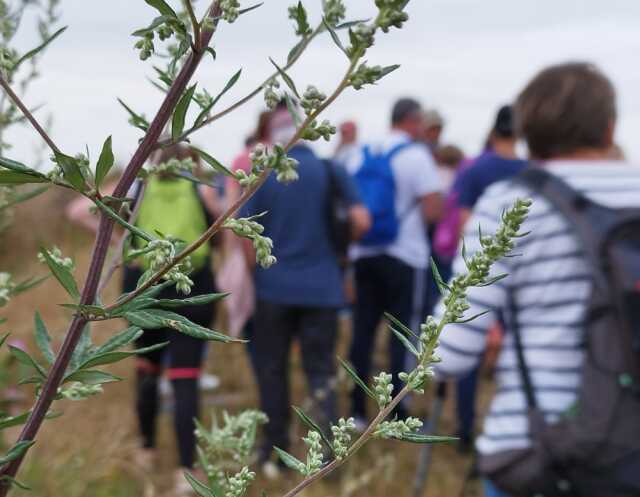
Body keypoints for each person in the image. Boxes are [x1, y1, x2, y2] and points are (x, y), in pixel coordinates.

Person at [433, 62, 640, 497]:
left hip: (538, 454)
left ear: (528, 133)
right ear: (609, 128)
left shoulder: (511, 203)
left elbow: (447, 354)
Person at [66, 144, 222, 495]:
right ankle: (187, 471)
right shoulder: (201, 190)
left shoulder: (138, 187)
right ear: (190, 164)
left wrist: (123, 242)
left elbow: (77, 210)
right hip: (193, 291)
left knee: (147, 370)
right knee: (186, 379)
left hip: (144, 290)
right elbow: (223, 225)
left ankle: (146, 452)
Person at [240, 107, 370, 476]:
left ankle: (273, 453)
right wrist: (339, 255)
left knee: (272, 370)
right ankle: (328, 458)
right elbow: (361, 220)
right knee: (321, 372)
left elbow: (244, 234)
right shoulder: (331, 170)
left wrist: (256, 276)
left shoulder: (264, 172)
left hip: (273, 290)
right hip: (323, 288)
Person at [345, 97, 443, 425]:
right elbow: (432, 209)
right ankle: (394, 412)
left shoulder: (361, 153)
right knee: (402, 333)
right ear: (413, 121)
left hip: (364, 253)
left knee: (362, 332)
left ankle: (356, 409)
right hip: (406, 255)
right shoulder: (417, 156)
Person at [446, 105, 528, 451]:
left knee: (467, 347)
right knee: (516, 353)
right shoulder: (531, 172)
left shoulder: (474, 169)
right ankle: (511, 432)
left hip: (480, 272)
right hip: (520, 277)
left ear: (493, 133)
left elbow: (466, 226)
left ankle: (465, 431)